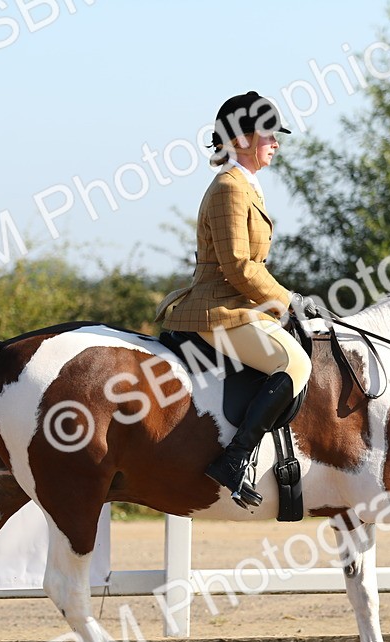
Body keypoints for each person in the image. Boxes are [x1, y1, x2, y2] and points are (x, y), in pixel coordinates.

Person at [156, 91, 316, 508]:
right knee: (294, 362)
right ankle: (235, 459)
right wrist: (289, 299)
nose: (276, 143)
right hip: (218, 309)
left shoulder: (246, 186)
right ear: (242, 139)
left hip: (238, 304)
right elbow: (239, 266)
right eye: (268, 135)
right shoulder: (230, 187)